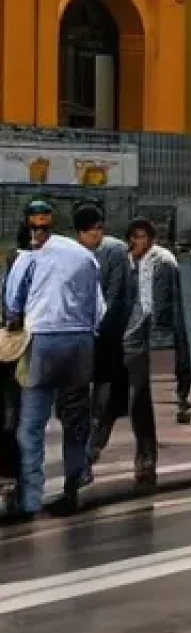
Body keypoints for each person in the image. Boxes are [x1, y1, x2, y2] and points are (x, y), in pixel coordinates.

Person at [4, 199, 105, 518]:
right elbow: (98, 309)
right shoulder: (82, 255)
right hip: (80, 343)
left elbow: (12, 306)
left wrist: (15, 322)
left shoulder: (27, 257)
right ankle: (74, 489)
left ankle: (32, 498)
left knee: (31, 425)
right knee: (75, 421)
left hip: (43, 342)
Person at [124, 218, 191, 488]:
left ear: (151, 239)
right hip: (127, 336)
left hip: (148, 340)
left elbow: (165, 307)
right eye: (132, 236)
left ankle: (146, 457)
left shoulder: (162, 262)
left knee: (140, 397)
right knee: (126, 399)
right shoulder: (126, 262)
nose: (134, 242)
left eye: (140, 237)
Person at [74, 203, 133, 485]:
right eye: (93, 229)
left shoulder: (112, 250)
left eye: (100, 228)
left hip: (101, 338)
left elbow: (115, 295)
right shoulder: (83, 253)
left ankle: (88, 456)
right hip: (93, 337)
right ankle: (86, 456)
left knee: (99, 401)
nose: (98, 234)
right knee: (90, 402)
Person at [0, 222, 31, 513]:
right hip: (15, 352)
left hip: (12, 352)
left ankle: (12, 480)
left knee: (12, 420)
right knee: (14, 420)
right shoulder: (26, 264)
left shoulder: (14, 264)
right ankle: (13, 480)